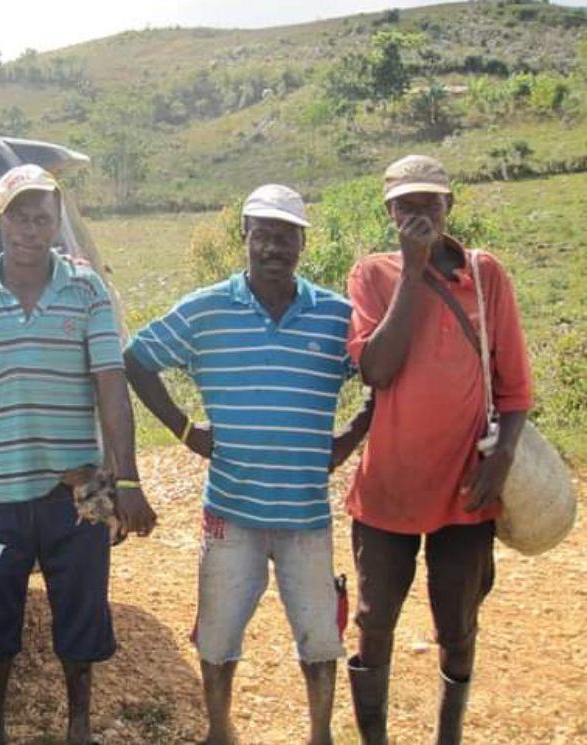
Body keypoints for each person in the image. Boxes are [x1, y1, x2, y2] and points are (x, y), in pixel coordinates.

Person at [124, 184, 371, 745]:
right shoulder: (206, 309)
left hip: (306, 514)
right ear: (245, 238)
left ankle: (320, 735)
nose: (273, 248)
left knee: (319, 637)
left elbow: (384, 373)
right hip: (230, 510)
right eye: (263, 235)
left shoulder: (337, 316)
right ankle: (219, 731)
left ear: (303, 243)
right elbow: (136, 359)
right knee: (217, 636)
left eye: (286, 236)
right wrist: (186, 431)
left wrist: (350, 437)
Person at [0, 164, 158, 745]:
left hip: (78, 493)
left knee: (81, 612)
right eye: (20, 216)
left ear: (56, 225)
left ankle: (78, 724)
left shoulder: (87, 291)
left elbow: (111, 383)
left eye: (43, 218)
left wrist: (125, 481)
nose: (31, 229)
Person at [344, 155, 531, 745]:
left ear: (449, 205)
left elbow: (516, 385)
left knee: (458, 622)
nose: (418, 212)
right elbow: (376, 367)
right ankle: (374, 738)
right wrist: (413, 269)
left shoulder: (486, 273)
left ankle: (447, 735)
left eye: (430, 201)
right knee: (375, 623)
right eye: (406, 204)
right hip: (389, 488)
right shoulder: (371, 274)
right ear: (389, 212)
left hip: (466, 486)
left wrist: (500, 462)